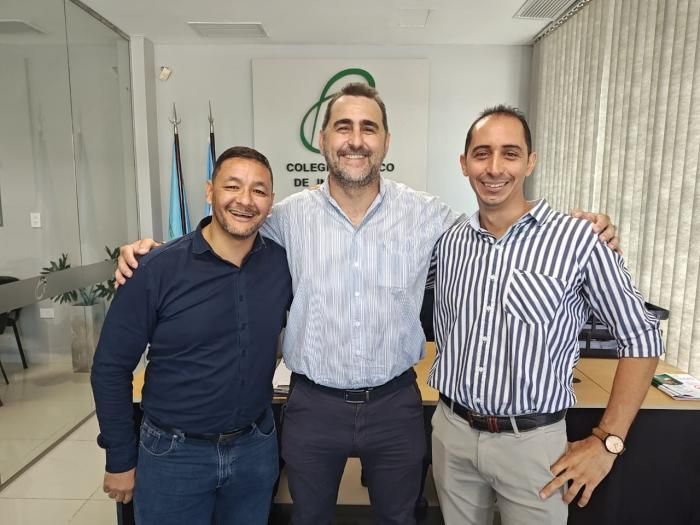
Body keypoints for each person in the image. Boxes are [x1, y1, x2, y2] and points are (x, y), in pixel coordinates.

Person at [115, 84, 617, 525]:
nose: (356, 139)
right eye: (344, 127)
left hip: (394, 405)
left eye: (368, 128)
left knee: (399, 517)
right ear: (323, 139)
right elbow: (225, 233)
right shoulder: (286, 219)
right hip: (312, 406)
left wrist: (582, 230)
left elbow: (495, 229)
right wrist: (151, 254)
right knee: (309, 517)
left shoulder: (429, 216)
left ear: (385, 141)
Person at [428, 105, 663, 525]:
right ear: (464, 164)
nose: (494, 167)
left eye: (510, 153)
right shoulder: (449, 243)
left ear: (530, 162)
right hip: (452, 432)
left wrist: (608, 440)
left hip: (533, 445)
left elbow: (641, 337)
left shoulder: (579, 240)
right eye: (481, 154)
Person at [91, 146, 292, 525]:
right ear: (209, 191)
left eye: (259, 191)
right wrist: (119, 458)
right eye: (232, 186)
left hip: (255, 448)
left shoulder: (281, 265)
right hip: (174, 455)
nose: (245, 200)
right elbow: (110, 368)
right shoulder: (155, 269)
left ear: (270, 203)